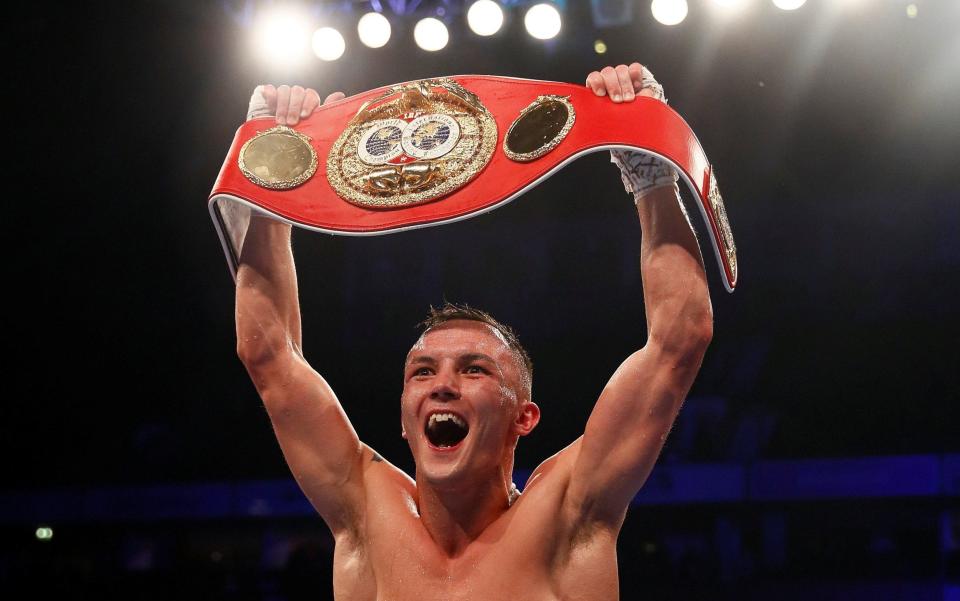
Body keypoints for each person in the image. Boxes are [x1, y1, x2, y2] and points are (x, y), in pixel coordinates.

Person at [236, 63, 713, 600]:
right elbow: (268, 355)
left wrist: (650, 164)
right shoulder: (366, 514)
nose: (442, 384)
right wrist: (267, 187)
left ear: (523, 416)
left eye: (474, 368)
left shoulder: (567, 513)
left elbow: (679, 340)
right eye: (422, 371)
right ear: (403, 415)